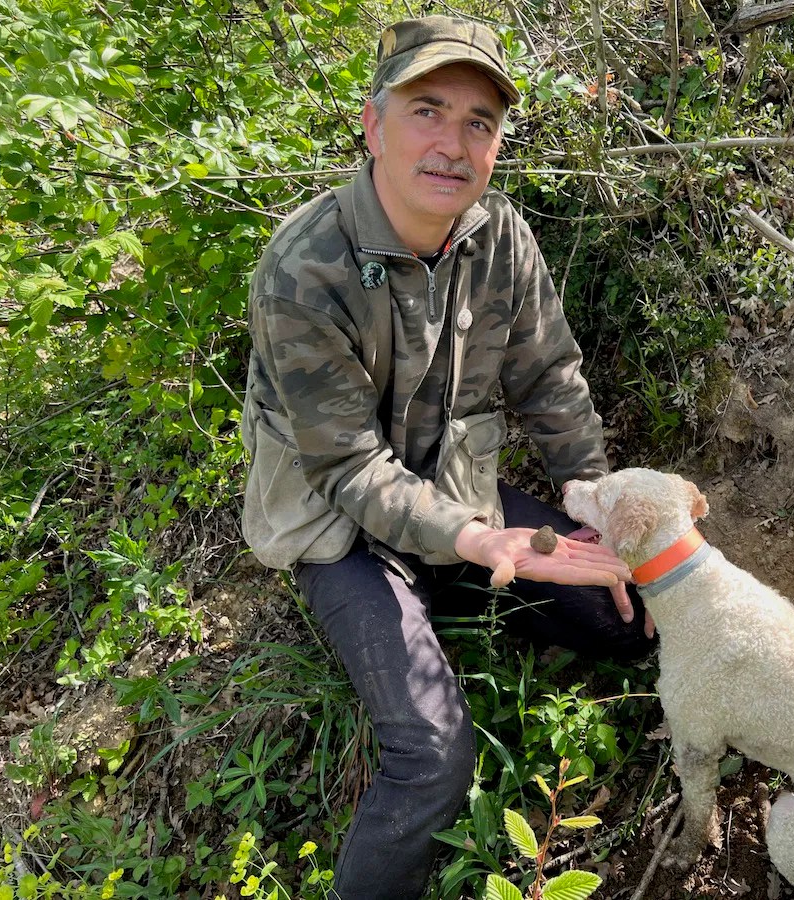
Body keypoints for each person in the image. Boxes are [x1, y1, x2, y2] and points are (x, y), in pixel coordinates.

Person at [239, 15, 655, 899]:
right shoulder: (304, 267)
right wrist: (480, 541)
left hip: (452, 493)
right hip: (338, 526)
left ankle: (459, 571)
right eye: (427, 109)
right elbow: (347, 468)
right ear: (373, 124)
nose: (453, 144)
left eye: (480, 122)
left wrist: (588, 498)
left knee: (624, 622)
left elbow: (550, 377)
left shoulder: (498, 234)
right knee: (432, 758)